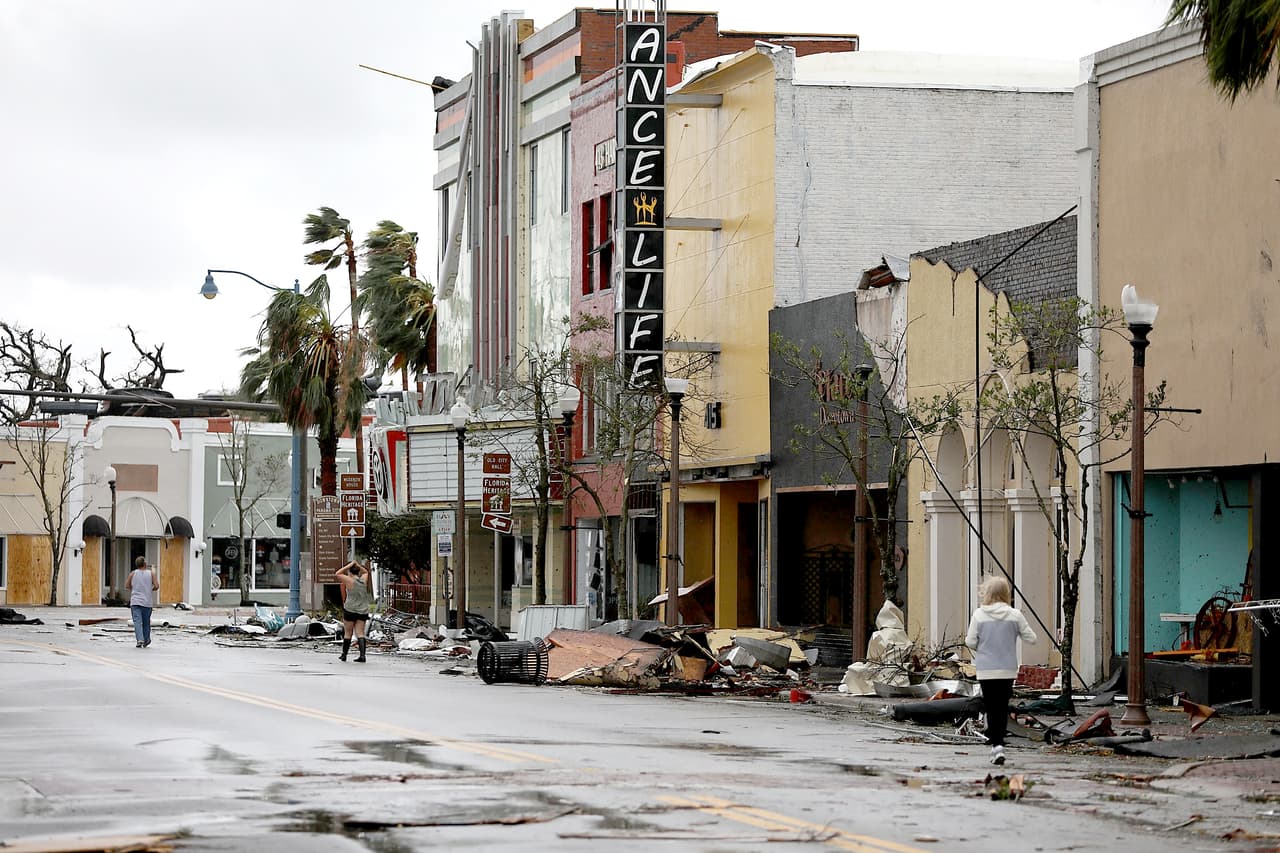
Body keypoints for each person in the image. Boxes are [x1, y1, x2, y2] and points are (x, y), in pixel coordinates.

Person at [965, 575, 1036, 766]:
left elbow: (969, 641)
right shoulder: (1015, 615)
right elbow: (1032, 638)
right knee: (1002, 706)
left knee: (990, 706)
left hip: (986, 669)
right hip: (1007, 669)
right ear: (1006, 593)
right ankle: (999, 744)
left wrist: (983, 646)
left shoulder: (979, 615)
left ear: (986, 593)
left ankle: (995, 744)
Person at [335, 561, 374, 663]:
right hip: (362, 610)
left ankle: (344, 655)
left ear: (349, 571)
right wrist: (358, 565)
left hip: (350, 609)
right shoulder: (363, 580)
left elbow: (338, 573)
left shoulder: (349, 580)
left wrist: (349, 565)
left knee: (348, 633)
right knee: (360, 633)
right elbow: (366, 572)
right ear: (358, 571)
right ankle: (362, 655)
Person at [127, 556, 159, 648]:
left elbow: (127, 585)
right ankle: (146, 639)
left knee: (137, 621)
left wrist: (134, 590)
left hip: (135, 601)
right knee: (146, 622)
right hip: (147, 602)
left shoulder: (133, 573)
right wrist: (150, 589)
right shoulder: (151, 574)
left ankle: (140, 639)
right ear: (145, 563)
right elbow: (156, 586)